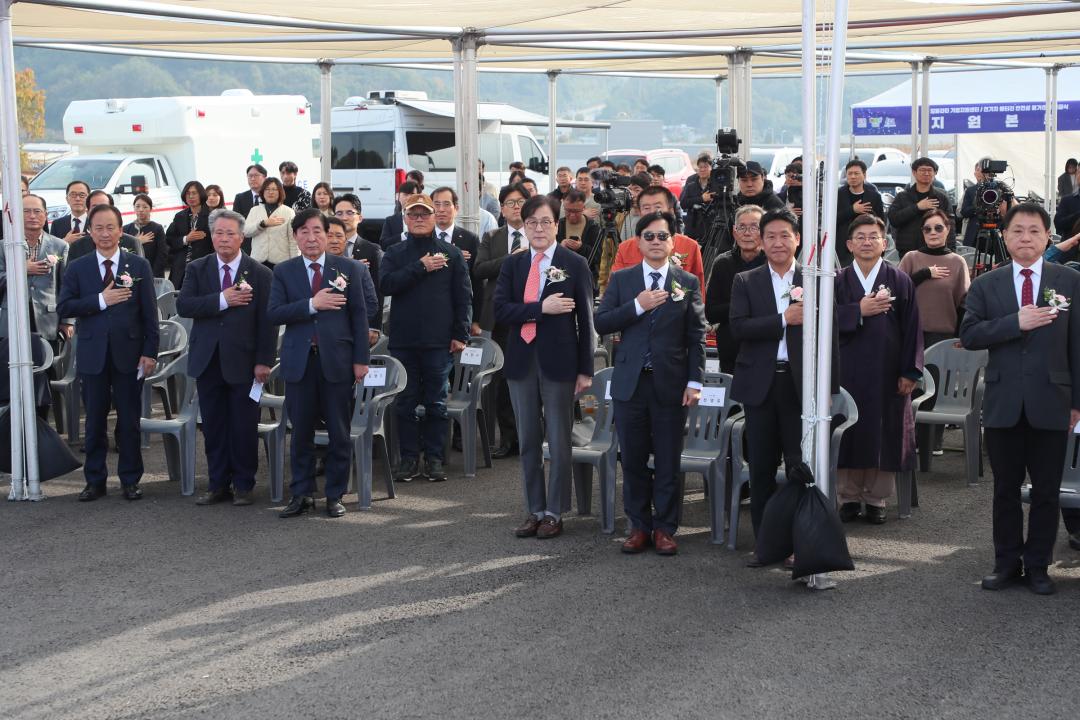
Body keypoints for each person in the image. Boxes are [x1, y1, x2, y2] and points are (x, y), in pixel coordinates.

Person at [959, 203, 1080, 596]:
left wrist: (1077, 403)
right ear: (1006, 237)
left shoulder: (1069, 281)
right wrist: (1016, 323)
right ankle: (1006, 562)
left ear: (1048, 237)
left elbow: (1077, 345)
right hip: (1003, 401)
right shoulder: (985, 284)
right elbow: (971, 334)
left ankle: (1039, 565)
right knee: (1005, 490)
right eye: (1018, 231)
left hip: (1053, 400)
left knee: (1046, 490)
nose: (1025, 238)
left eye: (1034, 231)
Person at [595, 211, 706, 556]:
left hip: (671, 384)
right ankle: (639, 525)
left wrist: (694, 381)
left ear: (673, 242)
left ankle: (666, 528)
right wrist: (637, 306)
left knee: (669, 460)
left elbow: (696, 336)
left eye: (663, 236)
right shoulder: (623, 279)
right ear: (638, 242)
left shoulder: (685, 281)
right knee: (633, 459)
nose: (656, 242)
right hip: (631, 383)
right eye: (650, 236)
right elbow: (602, 322)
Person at [729, 209, 836, 561]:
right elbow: (739, 328)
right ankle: (765, 542)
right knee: (760, 467)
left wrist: (829, 387)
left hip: (799, 384)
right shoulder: (746, 280)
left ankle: (797, 542)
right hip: (760, 384)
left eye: (784, 235)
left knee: (798, 464)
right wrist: (782, 319)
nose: (777, 242)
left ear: (797, 239)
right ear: (760, 241)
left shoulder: (816, 278)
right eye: (770, 236)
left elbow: (831, 335)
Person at [494, 194, 595, 539]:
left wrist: (585, 369)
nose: (539, 228)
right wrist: (540, 307)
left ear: (557, 225)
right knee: (528, 440)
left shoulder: (574, 263)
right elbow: (501, 312)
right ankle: (534, 509)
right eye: (532, 222)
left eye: (546, 222)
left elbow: (587, 322)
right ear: (523, 226)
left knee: (559, 439)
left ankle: (555, 511)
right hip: (521, 361)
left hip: (560, 363)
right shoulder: (514, 264)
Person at [268, 209, 370, 519]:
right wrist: (313, 304)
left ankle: (335, 494)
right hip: (300, 362)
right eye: (304, 232)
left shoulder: (349, 268)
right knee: (300, 433)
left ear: (327, 235)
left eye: (317, 231)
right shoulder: (284, 272)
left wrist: (360, 361)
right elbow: (274, 313)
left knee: (339, 432)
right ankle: (302, 493)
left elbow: (359, 316)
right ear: (295, 236)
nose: (311, 238)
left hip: (337, 362)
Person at [57, 204, 158, 502]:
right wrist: (100, 300)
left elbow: (150, 314)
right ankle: (95, 480)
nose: (104, 234)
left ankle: (130, 480)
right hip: (92, 353)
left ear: (120, 230)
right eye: (98, 228)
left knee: (129, 419)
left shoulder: (138, 266)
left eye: (110, 227)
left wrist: (150, 352)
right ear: (89, 231)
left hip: (130, 352)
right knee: (95, 421)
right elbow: (65, 307)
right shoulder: (78, 267)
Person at [177, 209, 276, 507]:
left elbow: (267, 322)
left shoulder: (260, 273)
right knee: (214, 425)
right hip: (208, 360)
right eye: (218, 233)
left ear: (241, 236)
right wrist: (223, 299)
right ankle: (218, 483)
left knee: (244, 425)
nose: (223, 239)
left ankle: (244, 484)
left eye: (230, 233)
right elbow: (185, 305)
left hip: (245, 362)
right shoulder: (198, 268)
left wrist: (264, 361)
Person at [834, 214, 923, 524]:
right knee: (849, 431)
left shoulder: (899, 280)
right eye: (860, 236)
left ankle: (877, 498)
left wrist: (910, 372)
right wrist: (857, 310)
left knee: (883, 432)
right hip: (847, 371)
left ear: (885, 243)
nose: (867, 241)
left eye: (873, 236)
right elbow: (823, 320)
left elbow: (913, 328)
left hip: (887, 372)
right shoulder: (838, 280)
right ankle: (848, 496)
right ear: (849, 244)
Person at [380, 194, 472, 483]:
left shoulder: (451, 253)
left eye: (425, 214)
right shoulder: (395, 253)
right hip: (404, 340)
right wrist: (420, 266)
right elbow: (385, 284)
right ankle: (408, 459)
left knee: (436, 403)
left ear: (435, 217)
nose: (419, 219)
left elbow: (464, 297)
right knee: (405, 403)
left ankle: (434, 459)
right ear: (405, 218)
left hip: (438, 341)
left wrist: (461, 334)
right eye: (413, 214)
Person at [474, 183, 529, 458]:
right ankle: (508, 438)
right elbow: (480, 268)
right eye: (509, 202)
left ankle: (533, 435)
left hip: (533, 315)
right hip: (501, 316)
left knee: (532, 377)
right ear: (502, 209)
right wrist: (511, 258)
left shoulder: (539, 232)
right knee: (503, 380)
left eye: (521, 202)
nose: (515, 206)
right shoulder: (492, 236)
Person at [0, 194, 71, 350]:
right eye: (26, 211)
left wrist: (67, 321)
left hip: (48, 319)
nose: (32, 216)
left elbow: (67, 286)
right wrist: (21, 270)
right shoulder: (5, 246)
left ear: (45, 215)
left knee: (45, 369)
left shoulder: (60, 246)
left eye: (37, 211)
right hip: (13, 318)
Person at [609, 186, 706, 294]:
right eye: (646, 208)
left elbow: (698, 292)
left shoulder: (690, 246)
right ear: (640, 212)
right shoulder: (625, 248)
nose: (652, 212)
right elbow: (615, 290)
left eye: (657, 207)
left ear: (671, 211)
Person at [704, 205, 766, 372]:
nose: (747, 233)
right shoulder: (723, 263)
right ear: (734, 232)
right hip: (731, 348)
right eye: (742, 227)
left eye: (754, 227)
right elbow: (711, 312)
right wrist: (746, 305)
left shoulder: (772, 262)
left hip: (766, 347)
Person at [898, 209, 970, 349]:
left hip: (944, 336)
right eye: (927, 229)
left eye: (938, 228)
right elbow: (897, 291)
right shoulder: (911, 258)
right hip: (910, 332)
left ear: (947, 229)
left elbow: (964, 303)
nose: (933, 232)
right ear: (922, 232)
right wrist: (923, 274)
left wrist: (960, 335)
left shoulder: (958, 262)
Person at [431, 186, 483, 328]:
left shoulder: (470, 239)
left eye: (447, 204)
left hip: (459, 311)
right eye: (436, 204)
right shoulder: (422, 238)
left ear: (456, 208)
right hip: (430, 311)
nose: (441, 209)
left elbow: (477, 280)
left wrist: (476, 319)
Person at [326, 216, 382, 346]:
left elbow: (372, 304)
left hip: (351, 336)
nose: (335, 240)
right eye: (329, 236)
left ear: (346, 240)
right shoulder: (314, 268)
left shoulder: (358, 268)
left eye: (339, 236)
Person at [887, 157, 953, 258]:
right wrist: (917, 207)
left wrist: (951, 250)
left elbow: (950, 224)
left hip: (936, 250)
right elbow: (893, 219)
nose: (926, 173)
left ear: (935, 173)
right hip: (908, 251)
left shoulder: (941, 197)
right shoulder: (903, 196)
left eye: (930, 170)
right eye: (922, 170)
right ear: (914, 172)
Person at [68, 191, 144, 263]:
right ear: (87, 212)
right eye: (95, 207)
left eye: (104, 207)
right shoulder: (77, 246)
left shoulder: (132, 243)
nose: (100, 212)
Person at [835, 159, 885, 267]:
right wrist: (852, 210)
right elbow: (832, 220)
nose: (853, 177)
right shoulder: (838, 194)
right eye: (850, 174)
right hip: (843, 245)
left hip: (867, 243)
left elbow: (882, 221)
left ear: (864, 175)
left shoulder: (874, 195)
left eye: (856, 173)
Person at [165, 180, 212, 288]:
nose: (191, 196)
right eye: (188, 193)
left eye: (194, 193)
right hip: (181, 268)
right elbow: (169, 240)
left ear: (201, 194)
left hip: (204, 267)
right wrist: (186, 239)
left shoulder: (212, 216)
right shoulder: (179, 216)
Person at [245, 177, 297, 270]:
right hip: (258, 262)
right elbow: (246, 232)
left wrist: (296, 263)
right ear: (262, 192)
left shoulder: (288, 212)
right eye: (267, 189)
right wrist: (263, 224)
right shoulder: (254, 210)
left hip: (281, 263)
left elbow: (293, 241)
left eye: (274, 189)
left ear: (280, 192)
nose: (270, 192)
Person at [557, 189, 603, 286]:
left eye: (576, 211)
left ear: (583, 208)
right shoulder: (557, 226)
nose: (572, 215)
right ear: (563, 207)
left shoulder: (593, 227)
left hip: (586, 278)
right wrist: (560, 247)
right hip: (560, 276)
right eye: (568, 211)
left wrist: (581, 248)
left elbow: (598, 257)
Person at [124, 194, 167, 277]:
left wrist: (153, 274)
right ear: (134, 208)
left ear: (150, 209)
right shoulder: (126, 229)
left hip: (152, 273)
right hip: (131, 274)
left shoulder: (157, 228)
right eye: (137, 206)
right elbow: (122, 251)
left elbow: (162, 254)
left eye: (145, 207)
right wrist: (136, 241)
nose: (141, 210)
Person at [680, 152, 714, 240]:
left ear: (711, 168)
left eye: (705, 167)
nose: (702, 170)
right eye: (700, 167)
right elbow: (683, 203)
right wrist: (701, 199)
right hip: (692, 224)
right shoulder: (691, 182)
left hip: (709, 225)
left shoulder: (715, 183)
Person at [378, 181, 420, 249]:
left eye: (412, 194)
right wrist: (403, 236)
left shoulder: (425, 218)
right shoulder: (390, 220)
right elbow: (383, 245)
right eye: (405, 194)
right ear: (398, 197)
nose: (409, 197)